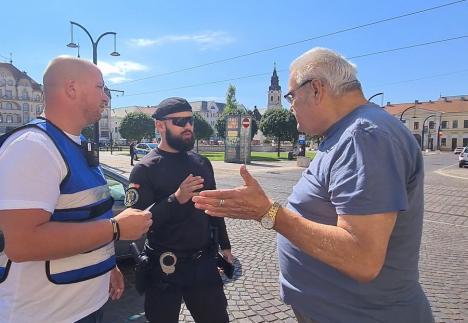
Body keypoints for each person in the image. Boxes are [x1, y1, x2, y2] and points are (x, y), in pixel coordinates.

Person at [193, 48, 433, 323]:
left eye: (292, 96)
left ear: (317, 89)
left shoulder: (364, 136)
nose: (291, 105)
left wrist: (268, 213)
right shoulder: (347, 132)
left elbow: (362, 258)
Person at [0, 56, 153, 323]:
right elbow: (20, 243)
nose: (107, 98)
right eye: (101, 88)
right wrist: (116, 229)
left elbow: (88, 215)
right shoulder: (33, 146)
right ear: (71, 88)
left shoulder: (78, 143)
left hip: (85, 307)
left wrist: (108, 265)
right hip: (44, 315)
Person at [127, 97, 233, 323]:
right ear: (160, 125)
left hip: (203, 264)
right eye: (179, 121)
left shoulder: (202, 163)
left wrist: (225, 246)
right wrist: (176, 198)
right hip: (164, 267)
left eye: (190, 120)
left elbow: (213, 208)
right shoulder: (144, 169)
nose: (187, 126)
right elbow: (134, 224)